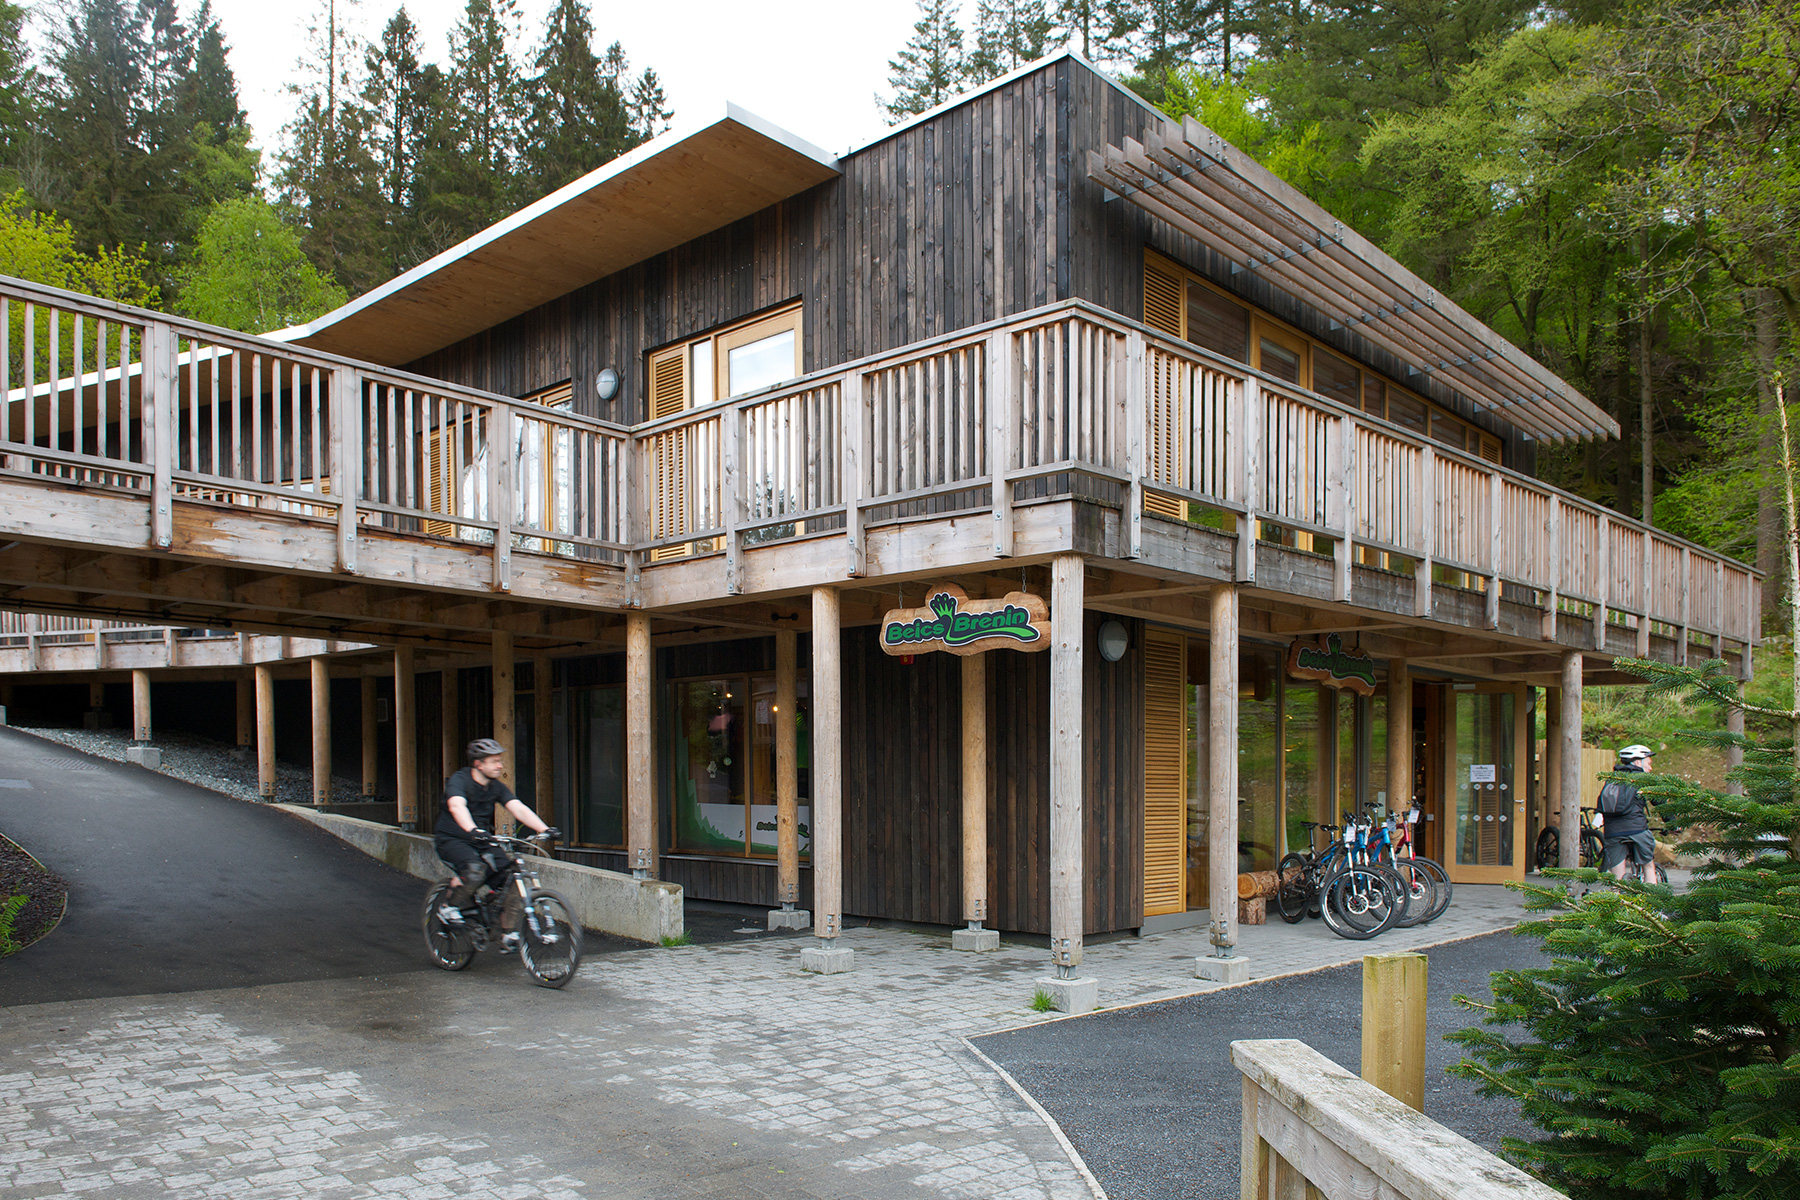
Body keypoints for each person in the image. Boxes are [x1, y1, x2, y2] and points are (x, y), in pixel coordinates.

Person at [434, 737, 558, 953]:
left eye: (499, 760)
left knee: (512, 876)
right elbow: (457, 806)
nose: (500, 765)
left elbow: (517, 807)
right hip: (452, 839)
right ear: (478, 764)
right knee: (474, 870)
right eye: (494, 761)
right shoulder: (460, 780)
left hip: (482, 839)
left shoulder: (496, 787)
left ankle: (507, 932)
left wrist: (544, 829)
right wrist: (472, 830)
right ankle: (449, 907)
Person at [1600, 743, 1662, 884]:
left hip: (1612, 831)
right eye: (1648, 763)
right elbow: (1659, 801)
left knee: (1617, 878)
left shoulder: (1612, 779)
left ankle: (1617, 901)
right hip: (1636, 829)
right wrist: (1673, 824)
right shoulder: (1642, 778)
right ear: (1638, 762)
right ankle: (1651, 901)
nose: (1650, 768)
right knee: (1648, 866)